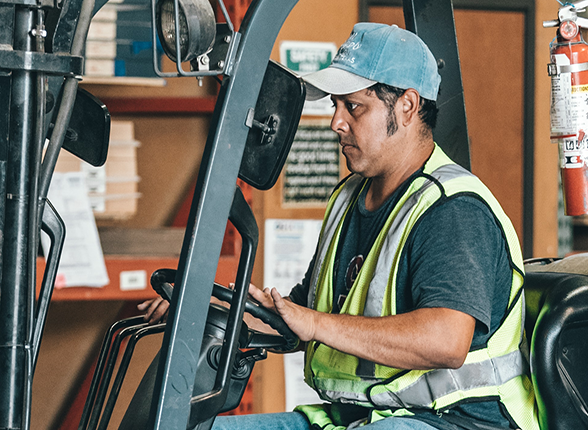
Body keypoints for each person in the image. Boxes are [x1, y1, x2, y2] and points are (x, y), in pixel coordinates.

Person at [139, 22, 538, 430]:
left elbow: (446, 341)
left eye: (354, 106)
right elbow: (304, 318)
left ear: (407, 106)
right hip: (361, 416)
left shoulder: (451, 209)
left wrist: (313, 324)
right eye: (336, 105)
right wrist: (203, 312)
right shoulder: (349, 197)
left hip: (453, 422)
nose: (336, 123)